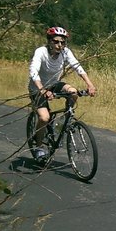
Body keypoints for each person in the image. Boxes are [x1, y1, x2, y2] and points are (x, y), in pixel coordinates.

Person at [28, 26, 96, 160]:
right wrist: (42, 90)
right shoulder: (41, 52)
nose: (60, 45)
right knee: (44, 118)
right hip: (37, 88)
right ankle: (39, 146)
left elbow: (77, 66)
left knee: (74, 92)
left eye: (63, 42)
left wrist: (90, 84)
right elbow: (33, 71)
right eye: (56, 41)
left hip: (53, 84)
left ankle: (64, 121)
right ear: (49, 41)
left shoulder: (65, 52)